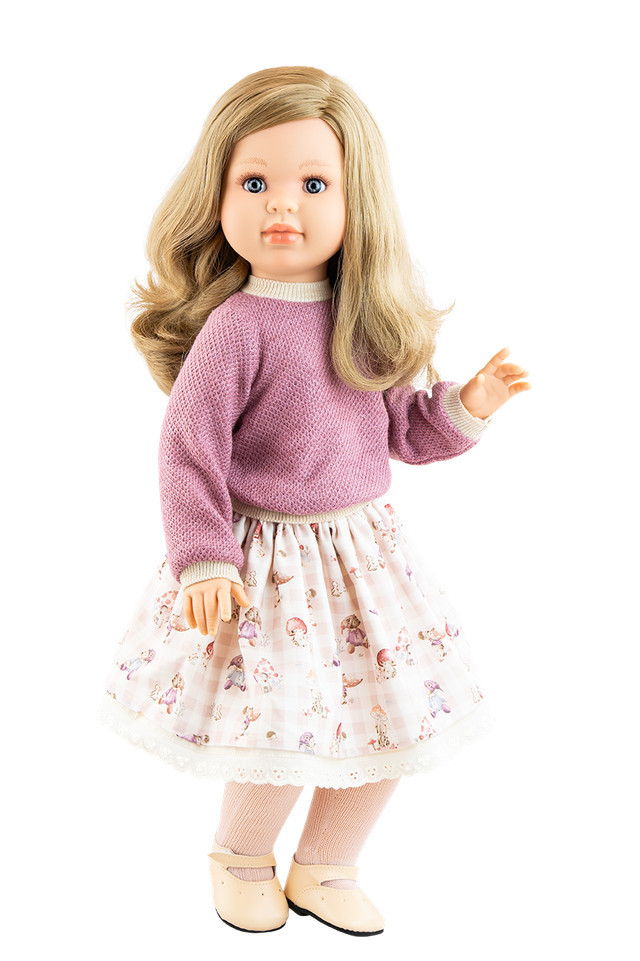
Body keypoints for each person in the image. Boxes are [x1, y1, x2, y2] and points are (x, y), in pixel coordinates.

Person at [98, 65, 531, 936]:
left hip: (366, 558)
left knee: (395, 717)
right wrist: (204, 557)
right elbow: (188, 451)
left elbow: (403, 428)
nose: (281, 206)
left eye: (314, 184)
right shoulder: (238, 327)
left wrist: (467, 406)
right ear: (217, 195)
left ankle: (327, 864)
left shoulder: (359, 318)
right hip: (269, 566)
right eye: (254, 183)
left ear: (354, 197)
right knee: (281, 724)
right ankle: (240, 858)